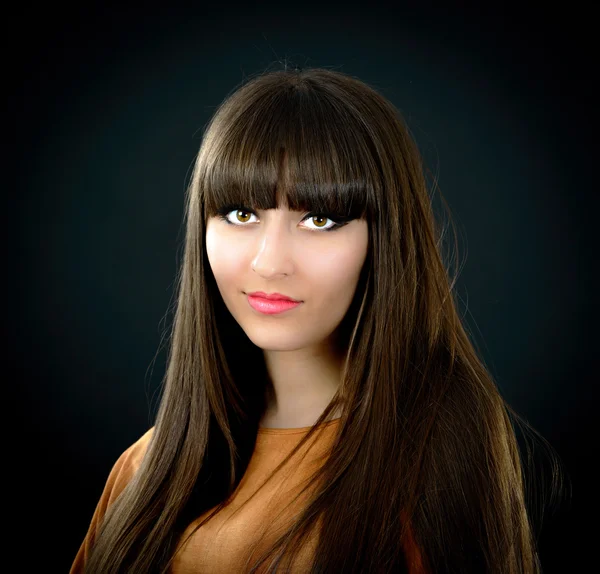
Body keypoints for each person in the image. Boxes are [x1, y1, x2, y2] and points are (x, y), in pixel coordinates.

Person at [70, 64, 561, 573]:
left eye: (320, 219)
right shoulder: (144, 468)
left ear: (384, 239)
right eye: (241, 214)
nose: (269, 262)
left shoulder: (435, 458)